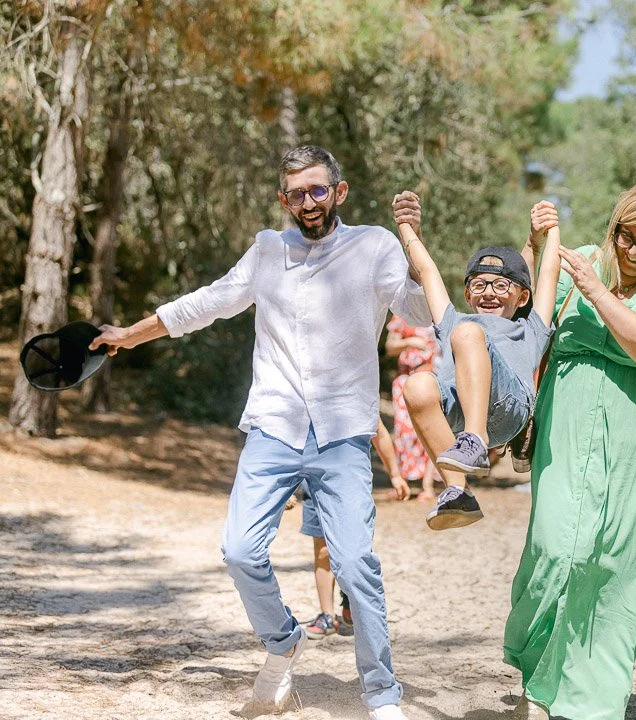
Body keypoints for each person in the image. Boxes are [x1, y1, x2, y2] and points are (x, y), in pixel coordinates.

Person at [89, 146, 428, 720]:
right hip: (274, 426)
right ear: (283, 200)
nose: (308, 202)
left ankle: (381, 694)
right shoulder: (268, 250)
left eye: (318, 190)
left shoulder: (374, 245)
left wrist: (416, 244)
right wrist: (130, 334)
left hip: (344, 431)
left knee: (354, 564)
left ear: (339, 192)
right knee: (240, 550)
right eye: (296, 193)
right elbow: (208, 303)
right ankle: (283, 643)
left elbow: (419, 311)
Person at [504, 183, 636, 719]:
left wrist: (598, 294)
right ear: (614, 226)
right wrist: (534, 243)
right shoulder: (584, 261)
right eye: (627, 235)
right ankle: (540, 672)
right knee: (557, 548)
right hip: (567, 421)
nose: (633, 251)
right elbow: (519, 302)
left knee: (613, 560)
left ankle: (586, 699)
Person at [389, 190, 561, 531]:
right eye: (479, 284)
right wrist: (405, 226)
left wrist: (551, 230)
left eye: (501, 285)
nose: (488, 292)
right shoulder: (454, 321)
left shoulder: (531, 329)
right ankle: (458, 490)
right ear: (467, 294)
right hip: (458, 413)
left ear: (522, 296)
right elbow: (426, 269)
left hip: (509, 408)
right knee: (418, 384)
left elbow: (550, 273)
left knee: (468, 335)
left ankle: (476, 439)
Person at [302, 419, 407, 639]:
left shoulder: (356, 388)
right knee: (322, 549)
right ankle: (327, 616)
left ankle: (351, 600)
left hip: (350, 482)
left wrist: (395, 475)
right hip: (313, 481)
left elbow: (380, 432)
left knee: (352, 549)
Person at [384, 316, 439, 501]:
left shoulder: (435, 310)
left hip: (431, 377)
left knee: (431, 430)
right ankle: (402, 483)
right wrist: (409, 342)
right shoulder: (401, 314)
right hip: (406, 379)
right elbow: (389, 347)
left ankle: (428, 485)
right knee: (404, 432)